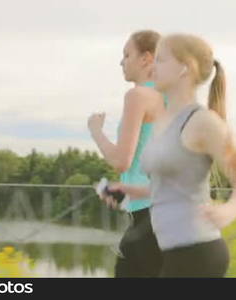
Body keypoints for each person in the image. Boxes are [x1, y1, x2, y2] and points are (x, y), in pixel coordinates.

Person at [105, 33, 236, 277]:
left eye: (161, 60)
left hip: (198, 252)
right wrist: (129, 190)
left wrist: (228, 210)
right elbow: (172, 187)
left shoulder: (203, 122)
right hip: (171, 251)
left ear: (184, 68)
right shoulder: (164, 122)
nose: (153, 67)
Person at [87, 30, 167, 277]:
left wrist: (96, 131)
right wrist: (123, 192)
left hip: (148, 218)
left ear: (146, 58)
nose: (121, 61)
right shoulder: (169, 97)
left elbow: (122, 161)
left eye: (126, 54)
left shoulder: (138, 95)